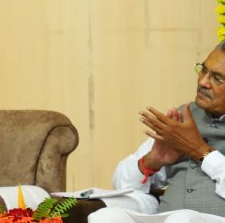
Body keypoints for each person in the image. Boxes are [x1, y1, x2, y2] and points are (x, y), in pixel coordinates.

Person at [89, 41, 225, 223]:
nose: (202, 81)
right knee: (105, 217)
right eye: (203, 70)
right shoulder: (184, 117)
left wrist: (199, 150)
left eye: (217, 78)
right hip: (166, 218)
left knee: (182, 219)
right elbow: (122, 185)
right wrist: (152, 161)